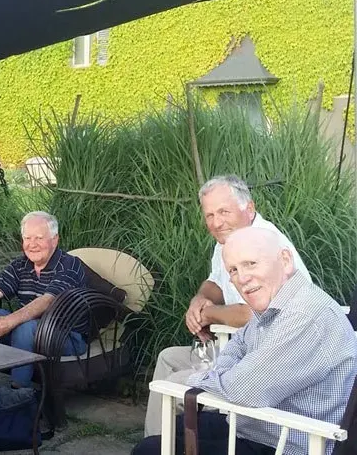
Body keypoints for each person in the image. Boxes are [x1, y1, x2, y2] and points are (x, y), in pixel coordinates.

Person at [134, 227, 356, 455]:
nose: (242, 278)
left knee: (150, 450)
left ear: (286, 260)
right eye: (233, 270)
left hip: (290, 443)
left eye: (251, 264)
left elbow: (243, 389)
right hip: (258, 427)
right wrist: (227, 373)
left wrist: (203, 377)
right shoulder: (275, 305)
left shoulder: (304, 316)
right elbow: (236, 346)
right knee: (174, 428)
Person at [143, 175, 312, 436]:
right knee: (168, 358)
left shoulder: (265, 246)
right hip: (235, 344)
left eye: (223, 211)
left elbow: (256, 312)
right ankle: (156, 442)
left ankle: (162, 445)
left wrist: (208, 314)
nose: (216, 222)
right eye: (209, 215)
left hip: (265, 356)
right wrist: (199, 300)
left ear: (250, 208)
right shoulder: (229, 240)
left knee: (174, 386)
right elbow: (216, 282)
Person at [0, 211, 88, 421]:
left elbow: (47, 301)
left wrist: (9, 322)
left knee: (26, 327)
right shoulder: (21, 265)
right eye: (27, 238)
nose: (32, 244)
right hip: (29, 331)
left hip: (66, 337)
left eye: (39, 238)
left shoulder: (70, 265)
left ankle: (19, 398)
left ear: (54, 240)